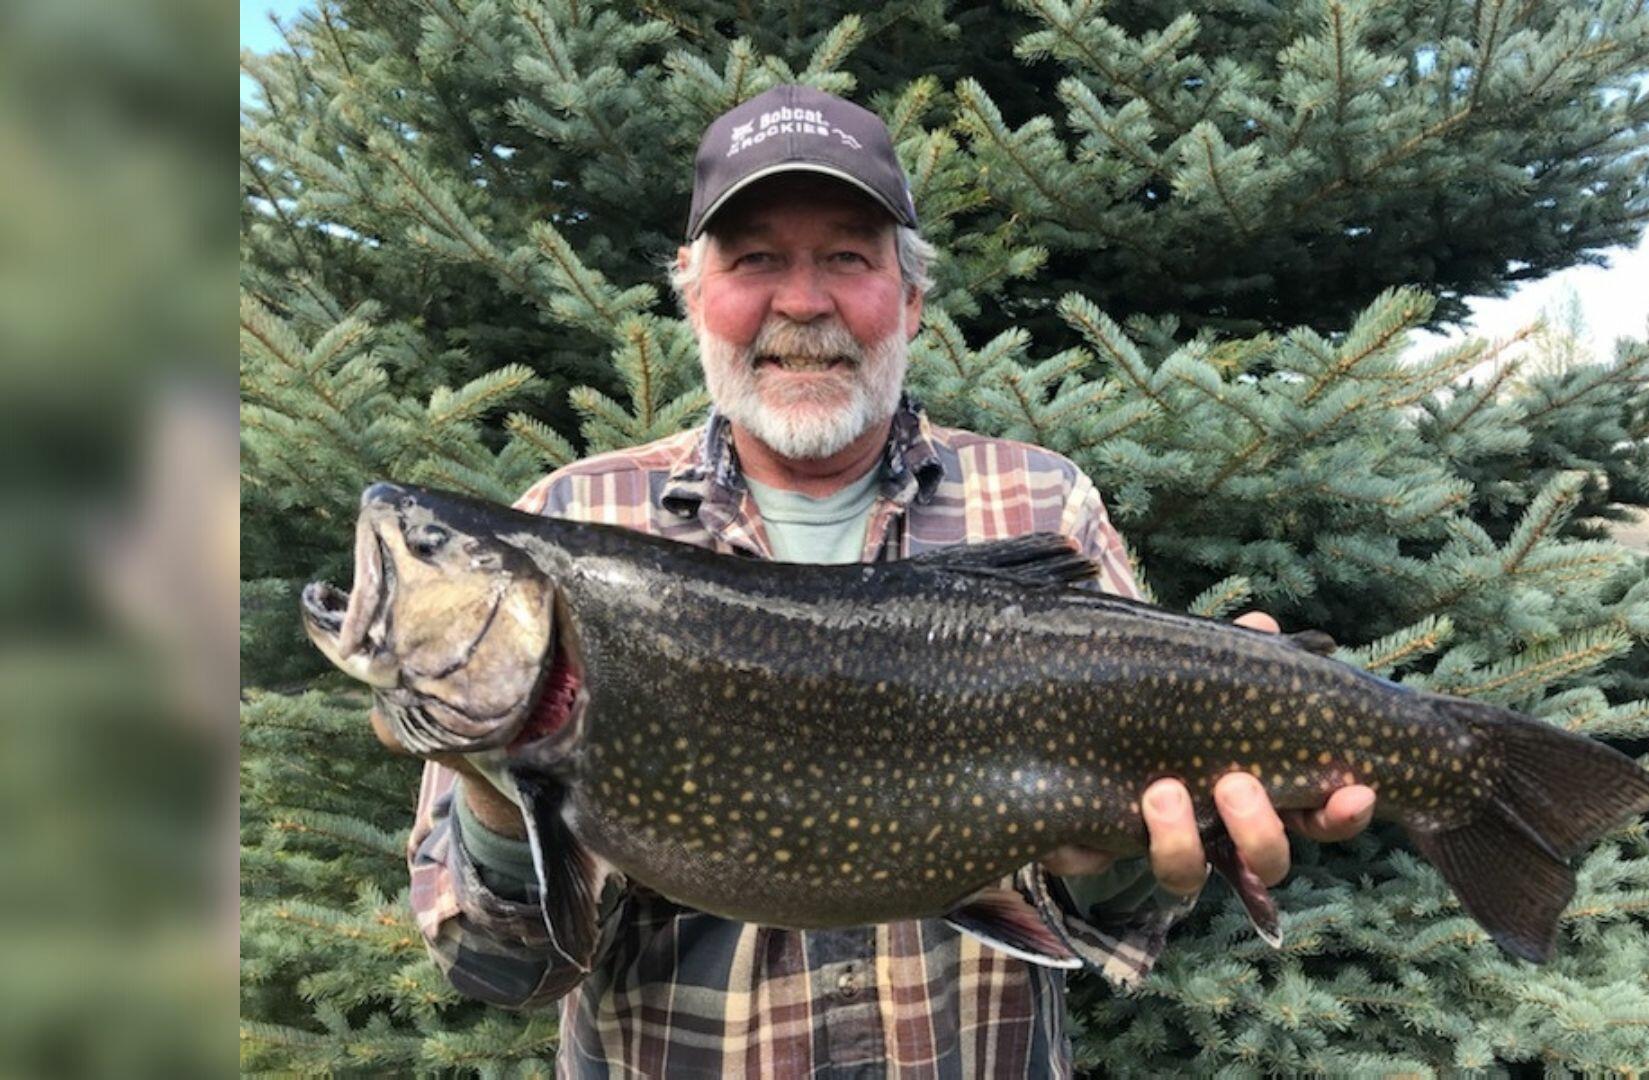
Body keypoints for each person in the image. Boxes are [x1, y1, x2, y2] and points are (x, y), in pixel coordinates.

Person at [379, 85, 1376, 1078]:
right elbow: (493, 969)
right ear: (694, 292)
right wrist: (503, 795)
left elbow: (1112, 917)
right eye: (756, 258)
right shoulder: (561, 533)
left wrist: (1119, 858)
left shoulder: (1041, 503)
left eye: (847, 257)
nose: (802, 302)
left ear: (909, 297)